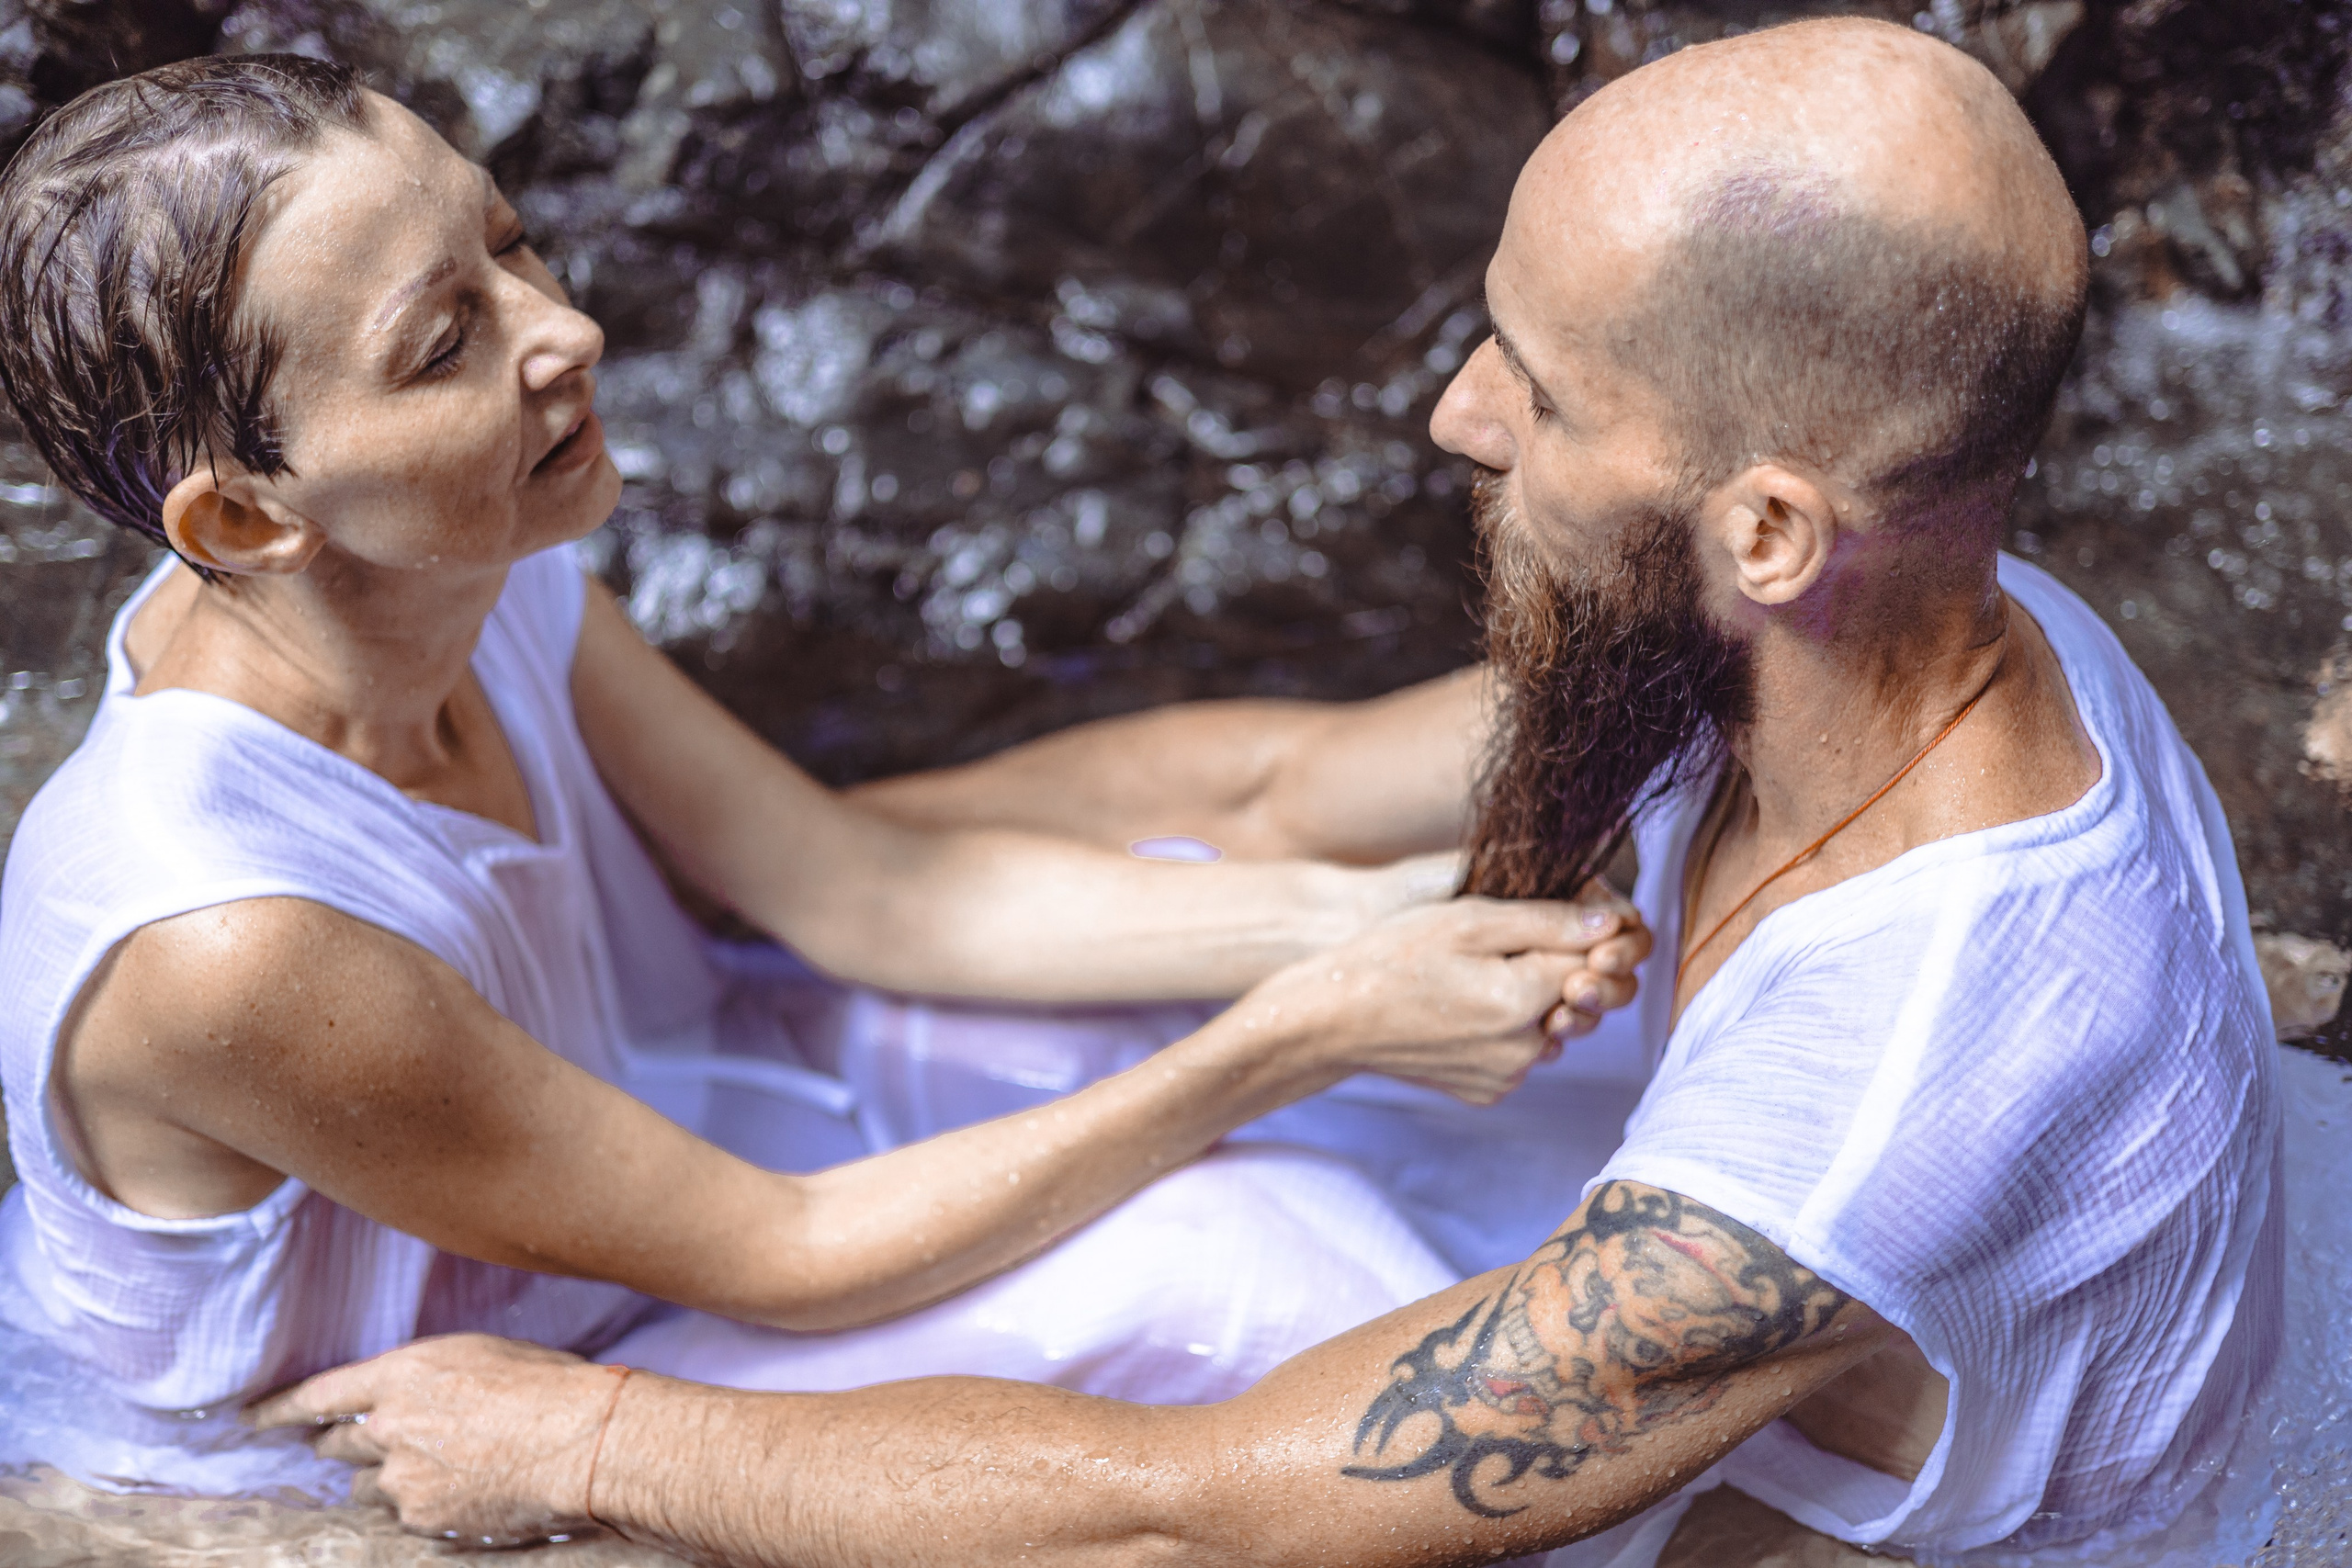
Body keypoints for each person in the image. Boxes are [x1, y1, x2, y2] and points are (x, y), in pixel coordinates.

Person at [266, 18, 2285, 1567]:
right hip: (1747, 1218)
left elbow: (1194, 1509)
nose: (1450, 416)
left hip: (1848, 1510)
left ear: (1765, 524)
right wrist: (819, 875)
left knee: (1227, 1259)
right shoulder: (1890, 610)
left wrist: (597, 1445)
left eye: (1538, 387)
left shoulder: (1861, 1123)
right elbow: (1273, 779)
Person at [0, 54, 1651, 1498]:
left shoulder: (465, 568)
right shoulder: (224, 943)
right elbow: (776, 1257)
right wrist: (1310, 1024)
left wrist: (1372, 918)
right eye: (444, 343)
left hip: (707, 1108)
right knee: (1265, 1267)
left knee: (1475, 1077)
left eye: (506, 243)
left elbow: (863, 890)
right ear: (243, 523)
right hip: (445, 1409)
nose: (562, 328)